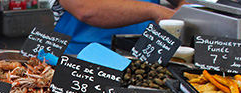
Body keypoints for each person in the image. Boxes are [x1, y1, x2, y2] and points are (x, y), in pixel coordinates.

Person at [49, 0, 186, 54]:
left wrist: (186, 9)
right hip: (83, 63)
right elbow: (85, 9)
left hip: (146, 58)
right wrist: (155, 11)